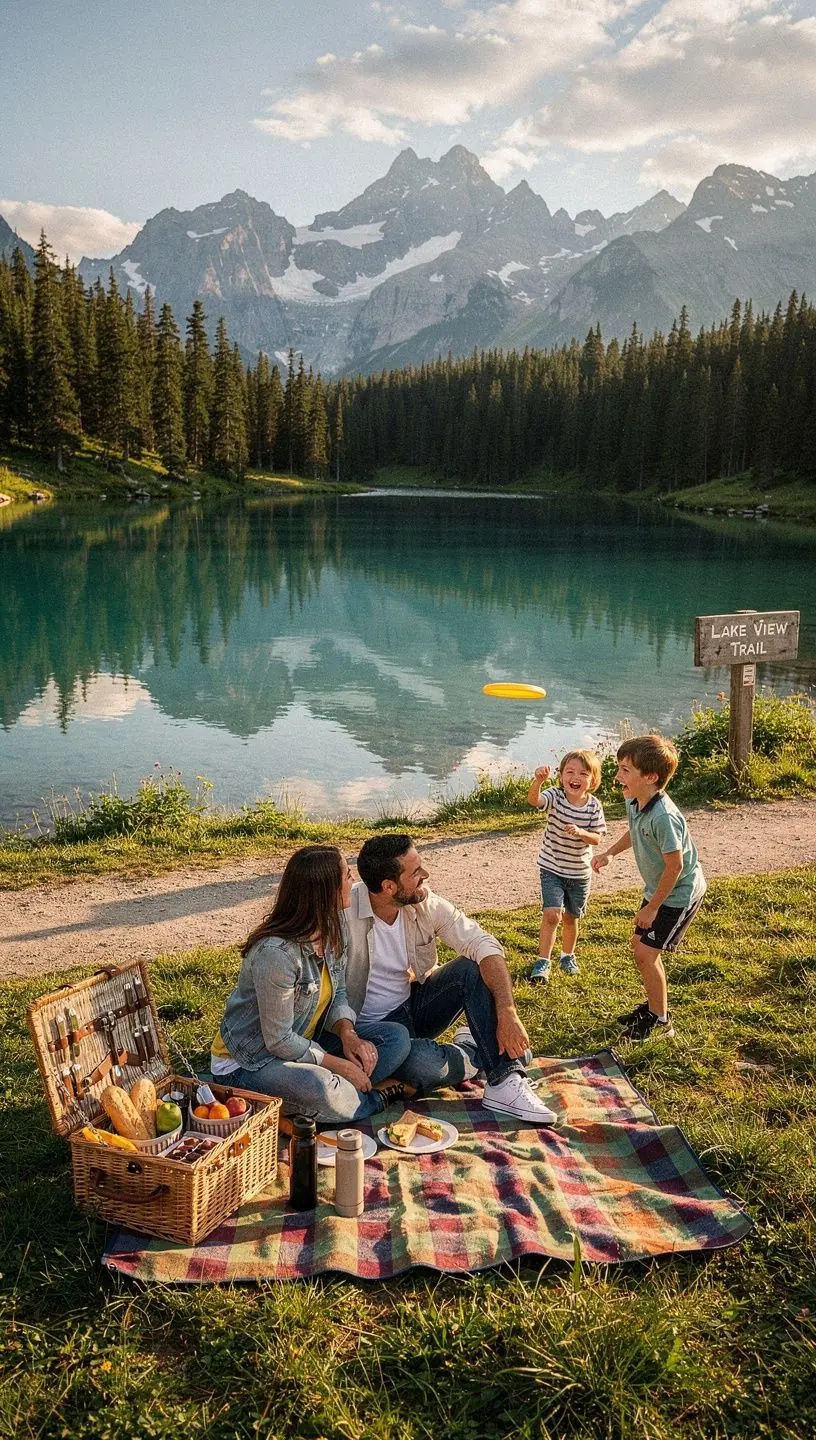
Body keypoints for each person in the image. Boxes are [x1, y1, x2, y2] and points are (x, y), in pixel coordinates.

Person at [345, 833, 558, 1125]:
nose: (426, 874)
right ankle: (478, 1048)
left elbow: (483, 943)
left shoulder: (423, 901)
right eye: (415, 872)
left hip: (413, 1006)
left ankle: (503, 1080)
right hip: (371, 1033)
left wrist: (507, 1011)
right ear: (388, 886)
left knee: (471, 967)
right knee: (423, 1065)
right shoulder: (344, 913)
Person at [211, 844, 412, 1123]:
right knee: (318, 1087)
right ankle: (373, 1098)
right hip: (249, 1062)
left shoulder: (334, 925)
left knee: (395, 1038)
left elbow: (338, 991)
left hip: (305, 1043)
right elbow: (278, 1040)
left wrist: (348, 1035)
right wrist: (338, 1065)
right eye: (347, 875)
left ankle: (338, 1097)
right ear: (327, 891)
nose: (353, 879)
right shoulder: (276, 954)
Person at [591, 736, 706, 1041]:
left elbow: (675, 867)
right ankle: (655, 1007)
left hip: (678, 893)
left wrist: (653, 907)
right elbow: (635, 831)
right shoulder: (636, 800)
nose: (618, 776)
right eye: (619, 767)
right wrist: (610, 853)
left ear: (651, 777)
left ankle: (661, 1022)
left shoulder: (664, 818)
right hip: (659, 888)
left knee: (646, 953)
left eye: (625, 770)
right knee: (640, 948)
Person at [527, 750, 606, 982]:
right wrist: (538, 782)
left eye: (583, 773)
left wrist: (581, 833)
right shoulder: (555, 796)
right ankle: (543, 961)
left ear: (592, 780)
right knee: (552, 915)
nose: (575, 777)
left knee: (571, 918)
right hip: (551, 867)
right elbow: (534, 801)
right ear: (561, 776)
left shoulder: (594, 806)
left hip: (579, 873)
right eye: (570, 772)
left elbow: (597, 838)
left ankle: (567, 956)